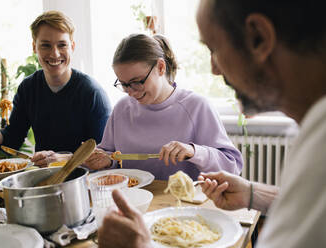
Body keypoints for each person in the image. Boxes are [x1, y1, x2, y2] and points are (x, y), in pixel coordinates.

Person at [97, 0, 326, 247]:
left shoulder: (319, 141)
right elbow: (306, 204)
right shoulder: (313, 129)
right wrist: (253, 194)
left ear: (259, 37)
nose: (214, 69)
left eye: (214, 48)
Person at [0, 11, 111, 167]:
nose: (54, 53)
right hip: (42, 177)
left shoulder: (92, 93)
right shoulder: (28, 88)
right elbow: (11, 141)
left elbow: (101, 155)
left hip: (84, 180)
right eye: (46, 45)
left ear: (72, 46)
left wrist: (62, 158)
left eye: (62, 45)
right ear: (34, 47)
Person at [84, 33, 242, 180]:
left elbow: (232, 167)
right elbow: (111, 156)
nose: (131, 92)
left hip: (182, 205)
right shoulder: (122, 108)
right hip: (133, 201)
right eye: (124, 85)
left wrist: (194, 151)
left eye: (137, 81)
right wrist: (104, 161)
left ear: (160, 67)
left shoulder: (197, 107)